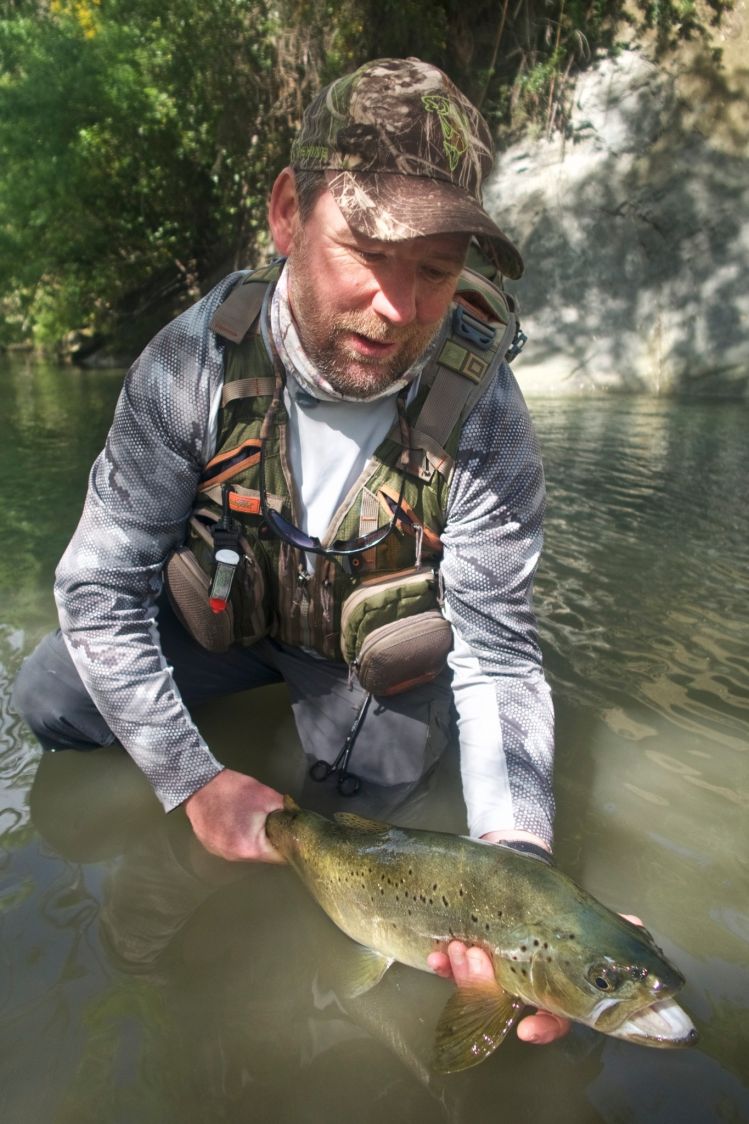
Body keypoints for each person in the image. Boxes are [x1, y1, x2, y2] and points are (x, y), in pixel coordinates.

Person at [13, 57, 567, 1044]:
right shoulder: (189, 364)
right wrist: (190, 779)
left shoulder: (483, 413)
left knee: (356, 805)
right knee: (49, 694)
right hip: (220, 624)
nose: (397, 306)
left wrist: (514, 863)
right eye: (366, 248)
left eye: (434, 270)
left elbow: (494, 652)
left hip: (364, 661)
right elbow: (97, 587)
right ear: (285, 214)